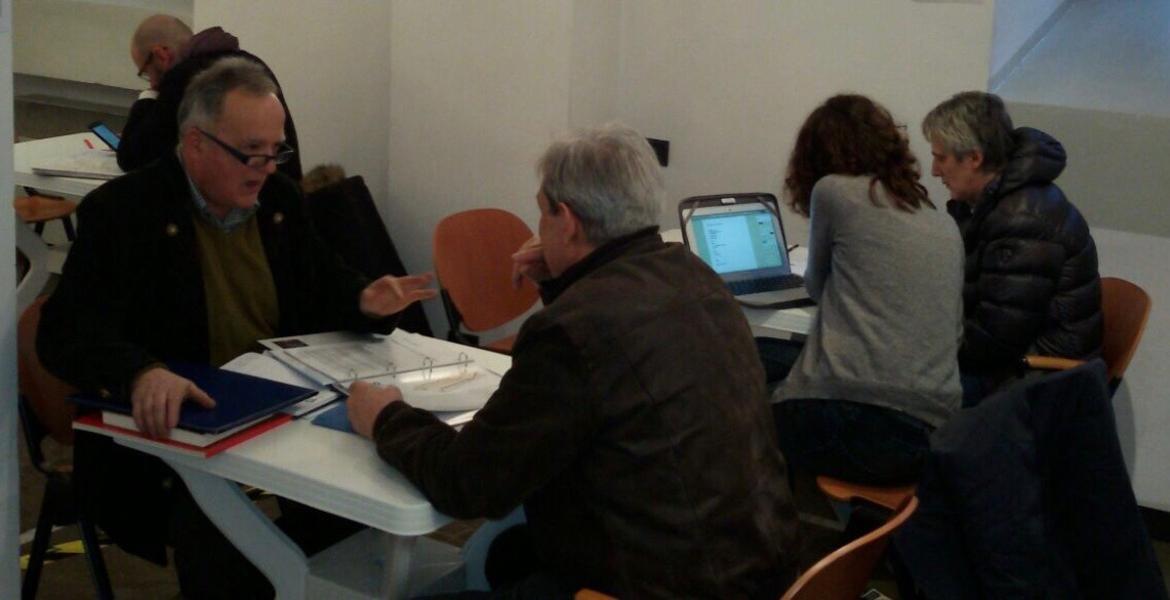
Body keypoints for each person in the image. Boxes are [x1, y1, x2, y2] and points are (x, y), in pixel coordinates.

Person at [37, 58, 435, 599]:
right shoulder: (124, 213)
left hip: (279, 415)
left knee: (361, 500)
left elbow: (322, 284)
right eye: (251, 152)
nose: (266, 167)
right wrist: (140, 372)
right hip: (174, 438)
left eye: (276, 151)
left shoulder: (279, 201)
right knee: (224, 548)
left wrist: (365, 300)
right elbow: (64, 333)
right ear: (195, 143)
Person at [347, 124, 800, 598]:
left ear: (566, 220)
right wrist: (564, 277)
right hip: (757, 567)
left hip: (662, 585)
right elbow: (610, 366)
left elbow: (468, 483)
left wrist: (387, 417)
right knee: (508, 554)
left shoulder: (570, 331)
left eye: (542, 212)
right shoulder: (696, 276)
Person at [767, 94, 964, 486]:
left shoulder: (832, 191)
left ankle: (767, 520)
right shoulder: (940, 221)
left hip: (856, 423)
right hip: (933, 433)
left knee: (739, 399)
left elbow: (816, 286)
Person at [922, 91, 1102, 404]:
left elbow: (996, 340)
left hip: (1034, 379)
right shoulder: (990, 203)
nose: (935, 171)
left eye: (941, 158)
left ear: (974, 158)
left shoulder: (1021, 220)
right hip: (1011, 364)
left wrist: (925, 346)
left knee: (899, 396)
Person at [121, 14, 303, 179]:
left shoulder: (184, 77)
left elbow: (131, 158)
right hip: (284, 190)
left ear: (162, 55)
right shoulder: (253, 63)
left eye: (146, 72)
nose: (151, 81)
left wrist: (149, 94)